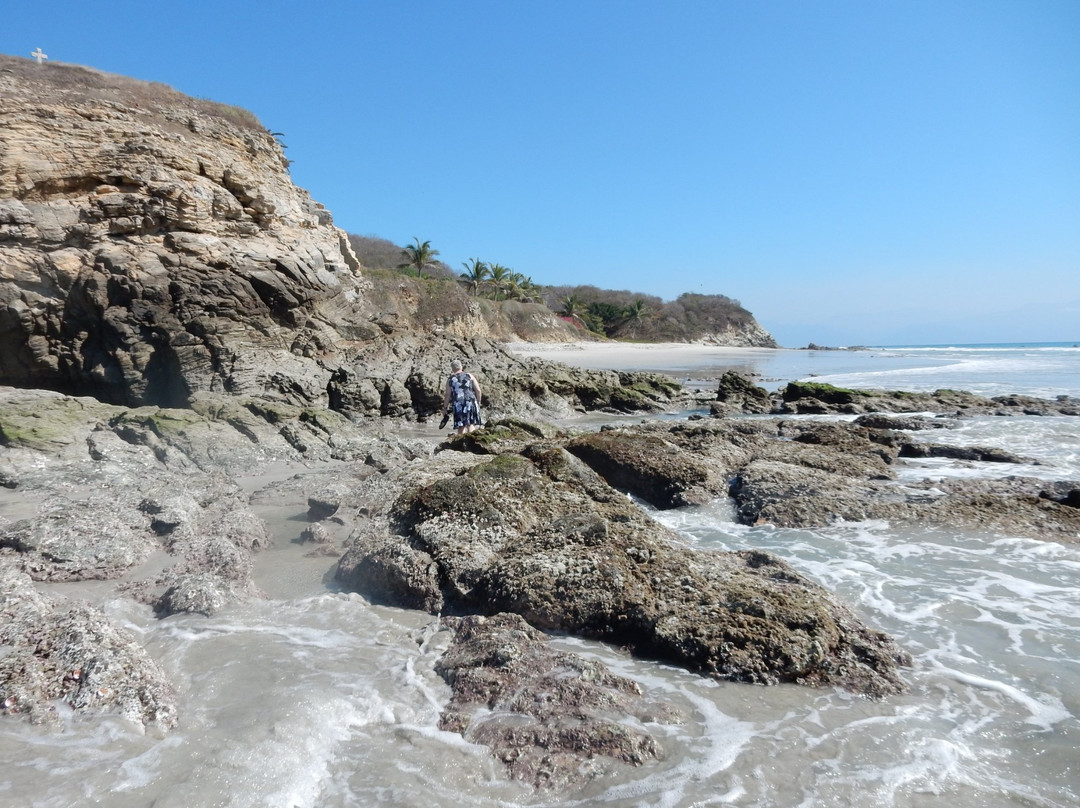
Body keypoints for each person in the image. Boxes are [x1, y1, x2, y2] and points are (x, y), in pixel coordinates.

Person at [442, 359, 483, 435]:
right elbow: (478, 390)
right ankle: (472, 440)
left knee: (461, 425)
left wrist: (445, 408)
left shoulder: (450, 379)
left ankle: (462, 441)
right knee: (471, 423)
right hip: (471, 401)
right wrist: (478, 402)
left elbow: (447, 395)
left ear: (452, 369)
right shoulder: (469, 376)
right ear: (461, 367)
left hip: (458, 403)